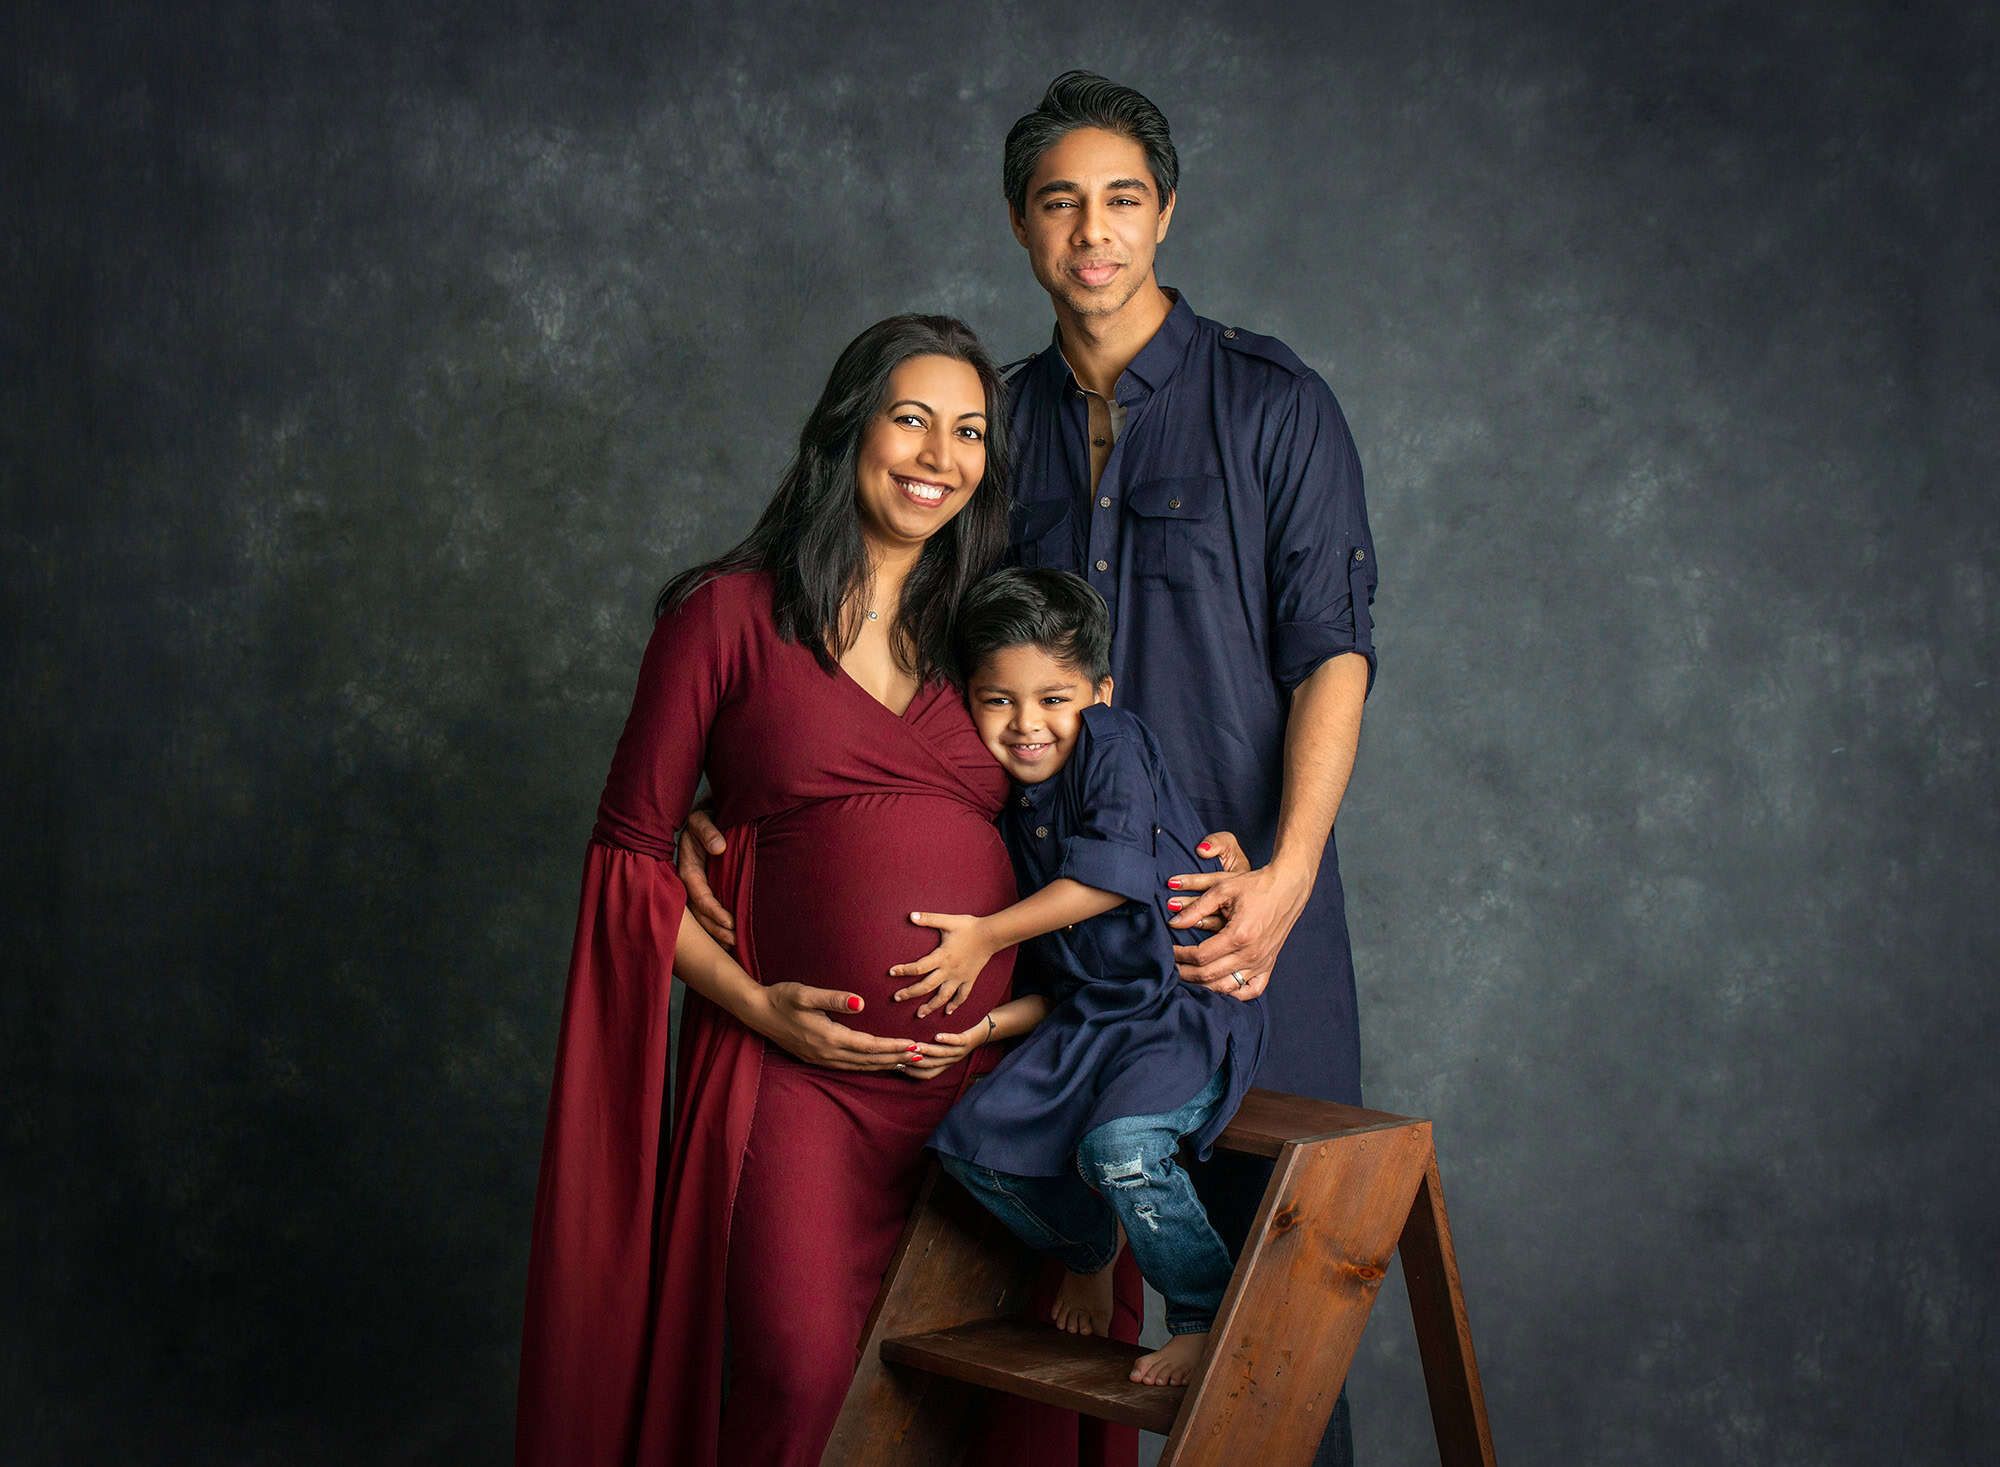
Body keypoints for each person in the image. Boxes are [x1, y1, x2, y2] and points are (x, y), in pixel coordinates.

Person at [513, 314, 1142, 1467]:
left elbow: (1087, 820)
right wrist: (757, 1006)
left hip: (987, 1097)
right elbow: (627, 861)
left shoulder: (991, 640)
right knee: (799, 1378)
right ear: (848, 428)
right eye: (911, 418)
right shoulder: (724, 617)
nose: (936, 455)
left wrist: (1032, 1016)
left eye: (967, 433)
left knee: (1008, 1403)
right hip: (796, 1088)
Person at [995, 72, 1378, 1464]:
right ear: (1022, 225)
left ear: (1166, 214)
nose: (1092, 233)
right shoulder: (990, 427)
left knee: (1277, 1341)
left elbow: (1332, 651)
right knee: (1069, 1332)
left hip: (1246, 932)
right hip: (1073, 949)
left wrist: (1284, 877)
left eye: (1121, 199)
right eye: (1060, 201)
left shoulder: (1274, 404)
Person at [897, 567, 1266, 1389]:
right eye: (999, 700)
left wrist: (982, 938)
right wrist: (983, 1028)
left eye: (1053, 699)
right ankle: (1088, 1245)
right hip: (1089, 1022)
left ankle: (1203, 1316)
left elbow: (1113, 879)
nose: (1028, 725)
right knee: (976, 1146)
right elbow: (1064, 979)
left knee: (1121, 1147)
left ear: (1096, 692)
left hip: (1181, 1008)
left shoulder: (1113, 743)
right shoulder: (1013, 805)